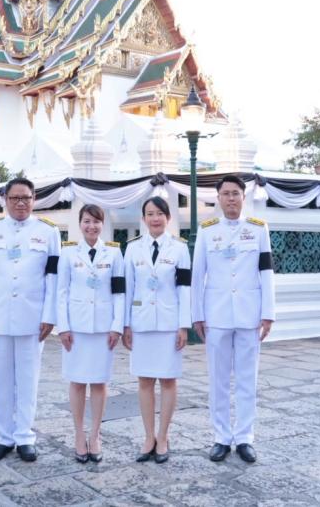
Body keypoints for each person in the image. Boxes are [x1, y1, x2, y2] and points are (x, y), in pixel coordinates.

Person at [0, 177, 60, 463]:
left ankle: (25, 436)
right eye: (15, 198)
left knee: (28, 379)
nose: (21, 203)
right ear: (5, 200)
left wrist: (50, 315)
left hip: (32, 318)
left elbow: (53, 278)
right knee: (0, 380)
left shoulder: (48, 232)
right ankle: (3, 437)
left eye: (26, 198)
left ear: (34, 200)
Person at [191, 175, 275, 463]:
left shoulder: (259, 229)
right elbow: (197, 275)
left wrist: (268, 313)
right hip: (216, 315)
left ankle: (245, 438)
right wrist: (197, 315)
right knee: (218, 380)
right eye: (225, 193)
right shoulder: (206, 231)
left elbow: (266, 272)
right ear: (218, 197)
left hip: (249, 314)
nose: (230, 199)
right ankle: (221, 437)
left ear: (243, 196)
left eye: (236, 193)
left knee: (247, 379)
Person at [123, 196, 191, 464]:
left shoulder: (179, 249)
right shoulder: (132, 249)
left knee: (169, 380)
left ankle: (163, 436)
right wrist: (125, 325)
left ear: (168, 218)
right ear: (143, 218)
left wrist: (183, 325)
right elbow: (127, 288)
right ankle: (148, 436)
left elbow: (184, 289)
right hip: (141, 322)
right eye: (150, 214)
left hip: (168, 323)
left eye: (160, 214)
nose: (155, 218)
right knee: (144, 381)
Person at [56, 204, 124, 463]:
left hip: (104, 329)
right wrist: (63, 327)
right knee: (76, 381)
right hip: (76, 328)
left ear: (102, 224)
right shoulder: (69, 253)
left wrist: (117, 326)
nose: (91, 226)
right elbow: (61, 293)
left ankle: (95, 434)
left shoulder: (114, 254)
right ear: (80, 223)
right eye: (86, 221)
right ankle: (78, 434)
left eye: (96, 222)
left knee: (99, 382)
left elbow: (120, 292)